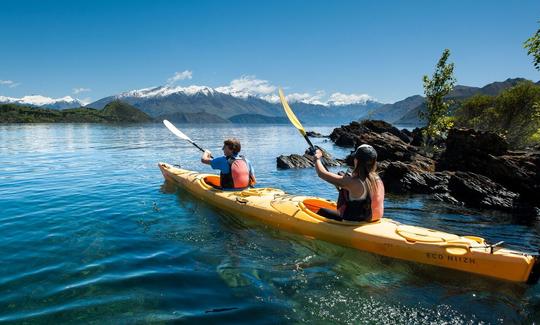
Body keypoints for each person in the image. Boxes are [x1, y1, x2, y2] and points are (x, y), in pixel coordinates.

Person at [313, 144, 384, 222]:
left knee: (322, 211)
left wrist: (317, 158)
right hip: (373, 219)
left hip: (355, 223)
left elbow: (321, 173)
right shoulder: (377, 179)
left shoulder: (352, 182)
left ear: (357, 160)